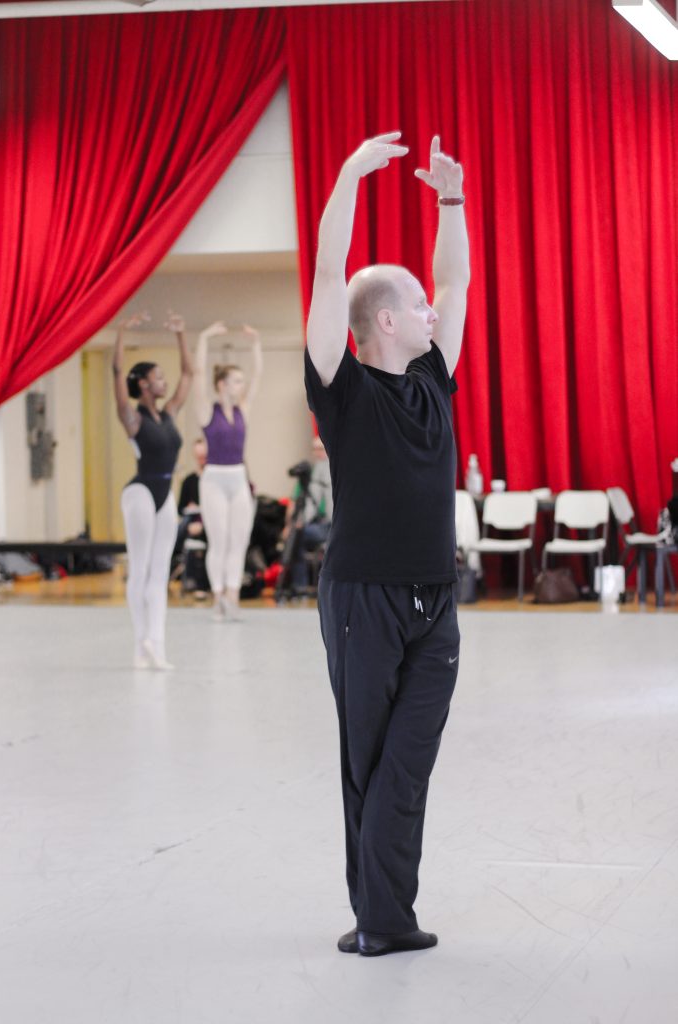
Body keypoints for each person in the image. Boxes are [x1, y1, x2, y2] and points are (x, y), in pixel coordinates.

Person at [304, 133, 469, 956]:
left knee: (406, 765)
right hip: (361, 599)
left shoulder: (433, 379)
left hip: (435, 601)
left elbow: (456, 278)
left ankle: (380, 919)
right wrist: (345, 180)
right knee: (369, 765)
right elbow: (332, 276)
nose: (433, 307)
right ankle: (382, 923)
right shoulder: (341, 387)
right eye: (415, 299)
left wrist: (450, 200)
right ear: (384, 321)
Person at [113, 310, 193, 669]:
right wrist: (120, 334)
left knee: (160, 572)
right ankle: (138, 642)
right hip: (140, 492)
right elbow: (117, 373)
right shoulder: (132, 419)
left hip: (166, 492)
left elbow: (190, 374)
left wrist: (181, 334)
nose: (164, 382)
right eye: (158, 377)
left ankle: (156, 646)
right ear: (143, 384)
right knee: (142, 566)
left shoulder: (170, 413)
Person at [193, 321, 262, 621]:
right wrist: (204, 337)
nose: (241, 386)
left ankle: (232, 596)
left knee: (240, 540)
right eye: (236, 381)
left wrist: (256, 343)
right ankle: (218, 597)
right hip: (214, 479)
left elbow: (258, 376)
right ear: (221, 384)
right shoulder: (208, 410)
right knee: (219, 540)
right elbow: (196, 374)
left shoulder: (243, 410)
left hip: (238, 477)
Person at [288, 437, 333, 592]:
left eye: (321, 449)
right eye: (315, 450)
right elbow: (297, 503)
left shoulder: (333, 471)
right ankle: (300, 585)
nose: (318, 453)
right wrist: (293, 524)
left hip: (333, 524)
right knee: (296, 535)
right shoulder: (312, 475)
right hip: (318, 524)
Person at [174, 437, 209, 596]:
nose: (202, 460)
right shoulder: (189, 481)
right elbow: (180, 508)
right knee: (186, 522)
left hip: (209, 523)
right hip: (191, 522)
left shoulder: (212, 480)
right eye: (199, 457)